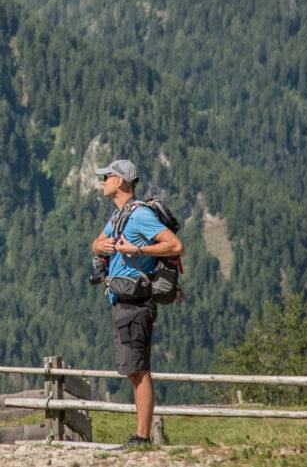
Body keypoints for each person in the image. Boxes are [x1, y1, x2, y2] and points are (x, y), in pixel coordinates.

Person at [90, 159, 183, 449]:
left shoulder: (139, 215)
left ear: (119, 181)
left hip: (136, 304)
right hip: (122, 302)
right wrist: (99, 246)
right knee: (132, 369)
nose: (102, 181)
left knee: (139, 370)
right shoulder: (120, 215)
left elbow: (175, 245)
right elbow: (96, 242)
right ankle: (140, 436)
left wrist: (137, 248)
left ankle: (141, 437)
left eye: (106, 177)